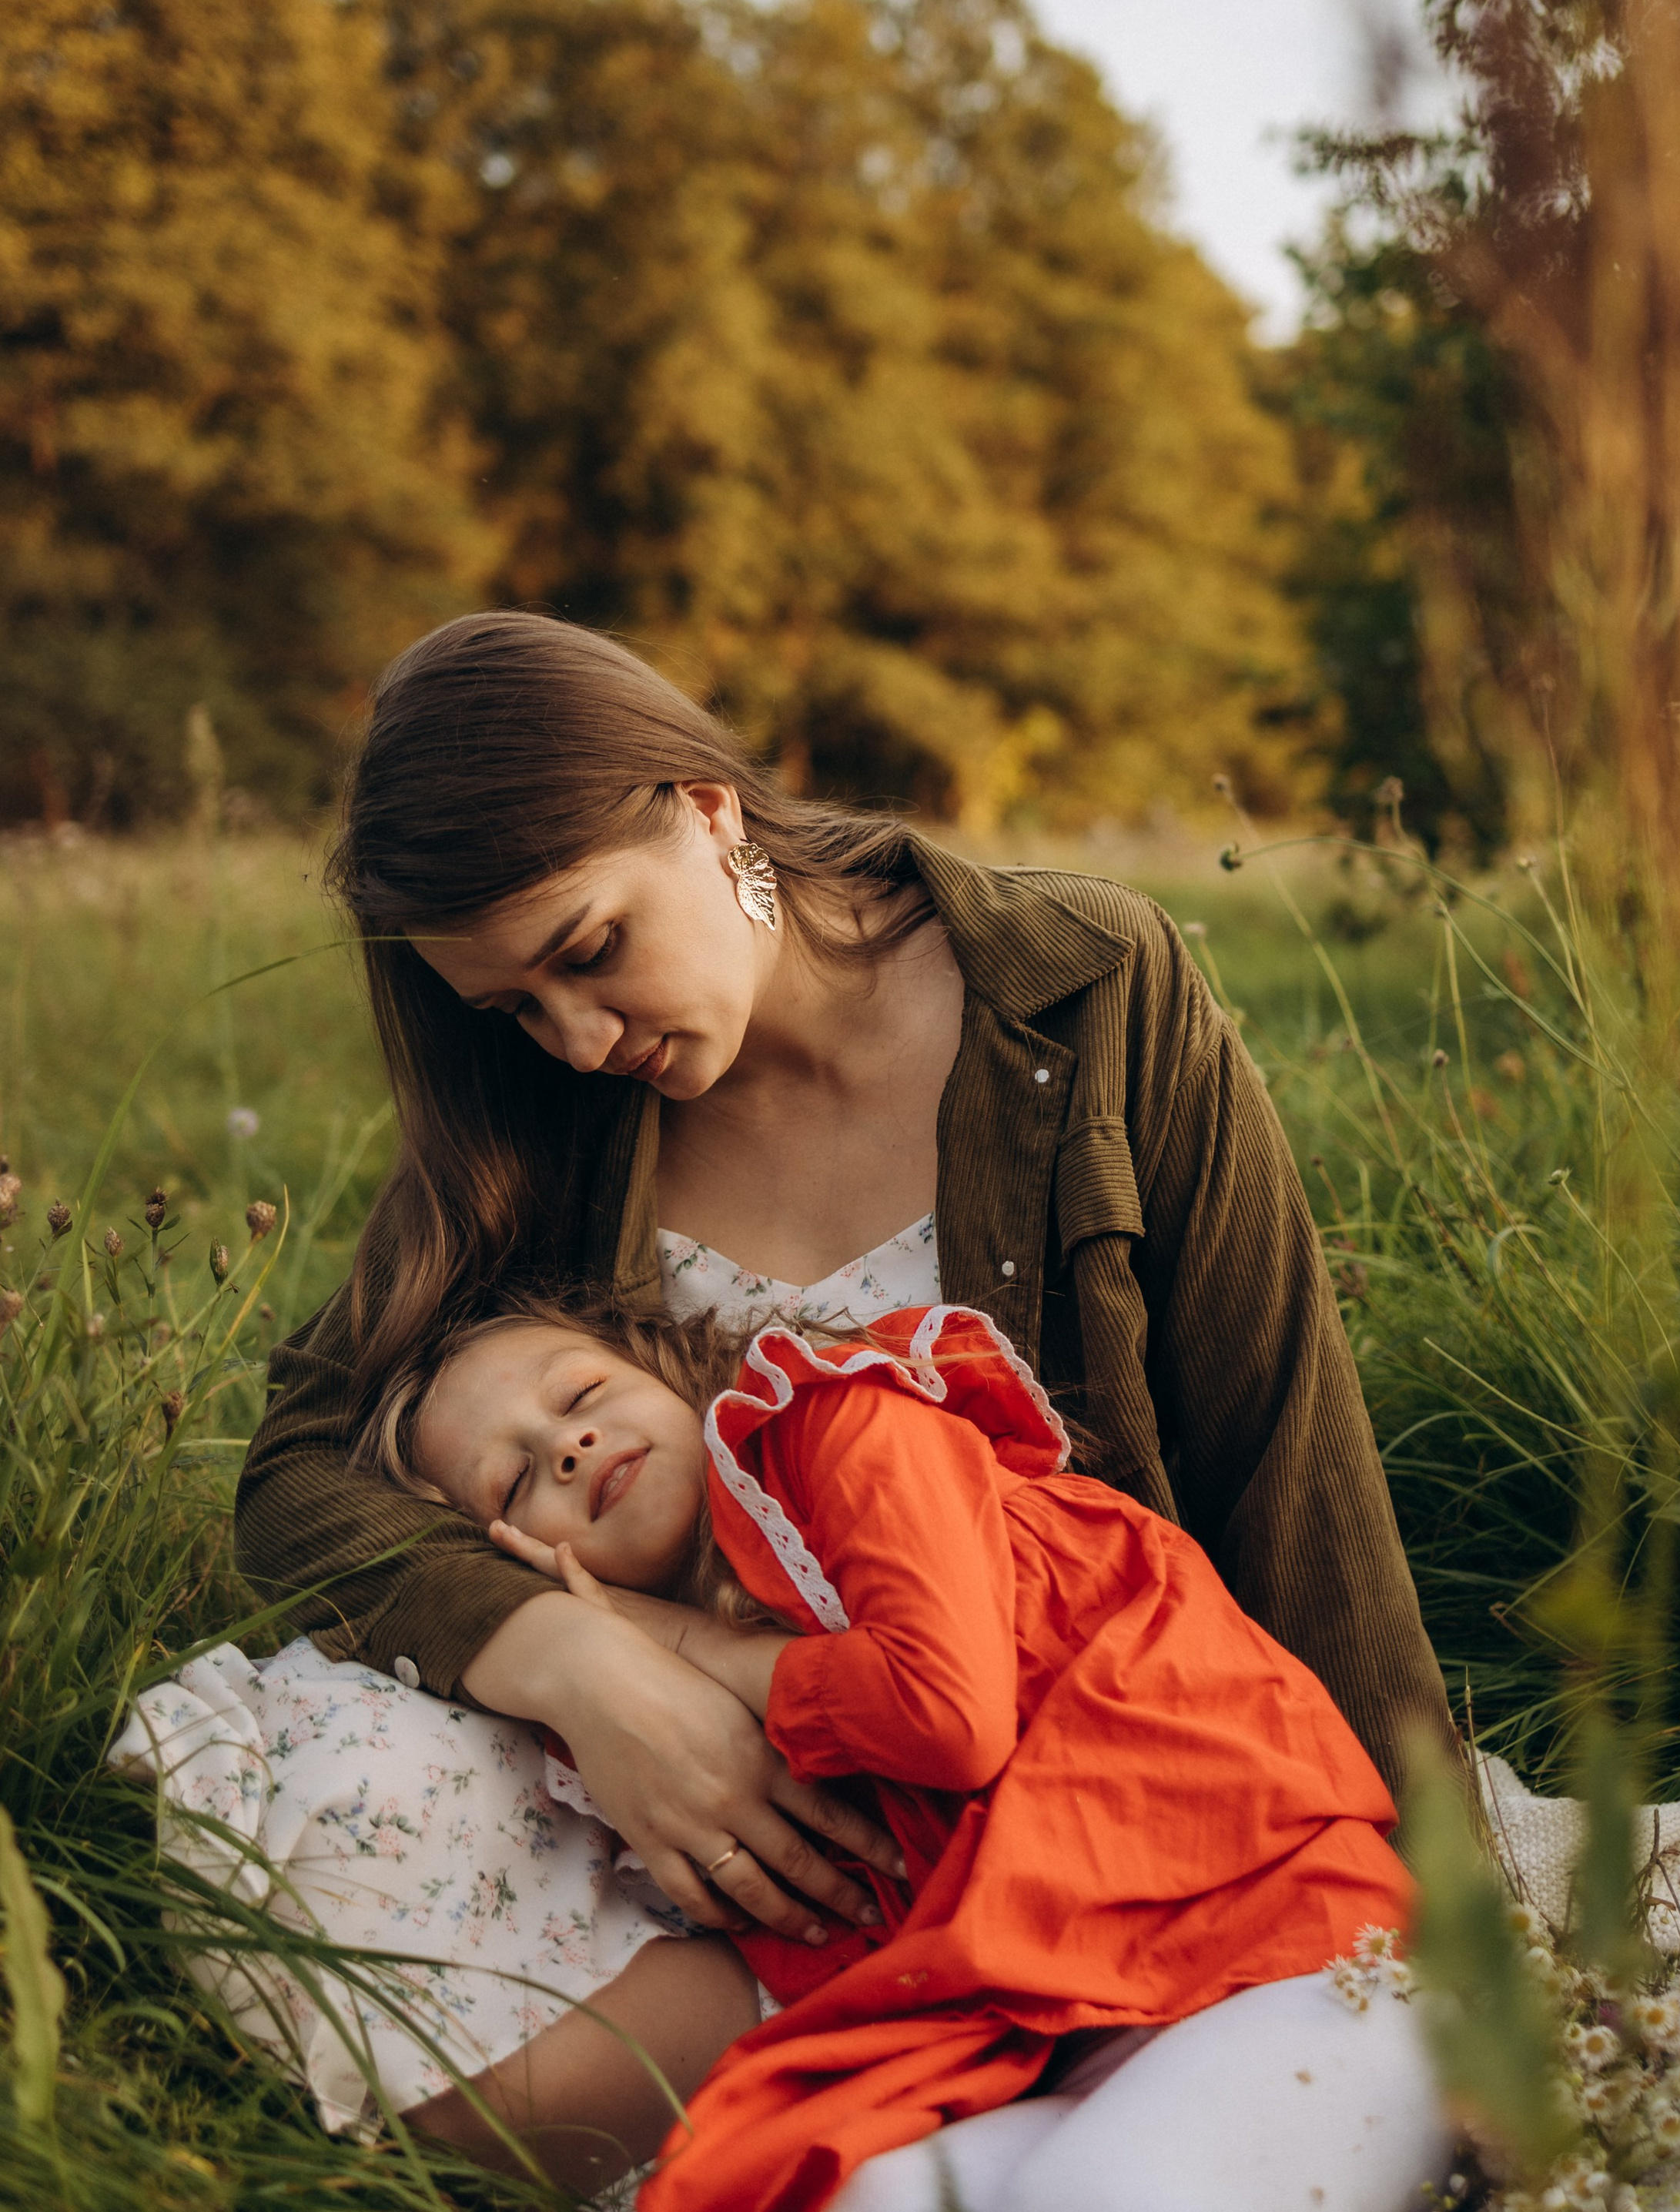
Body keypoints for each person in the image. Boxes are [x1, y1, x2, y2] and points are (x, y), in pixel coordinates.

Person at [231, 610, 1452, 2156]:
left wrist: (1442, 1913)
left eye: (588, 951)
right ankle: (865, 2061)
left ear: (702, 802)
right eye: (516, 1009)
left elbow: (1289, 1469)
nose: (580, 1036)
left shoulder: (1081, 991)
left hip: (1078, 1784)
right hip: (743, 1823)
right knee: (275, 1788)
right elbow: (295, 1470)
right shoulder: (536, 1111)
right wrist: (578, 1667)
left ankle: (953, 2064)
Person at [351, 1283, 1440, 2212]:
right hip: (1049, 2021)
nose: (569, 1443)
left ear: (665, 1368)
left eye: (581, 1395)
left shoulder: (837, 1425)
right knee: (865, 2191)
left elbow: (949, 1718)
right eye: (518, 1478)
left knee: (1111, 2193)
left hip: (1275, 1937)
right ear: (522, 1559)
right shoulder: (668, 1711)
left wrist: (684, 1637)